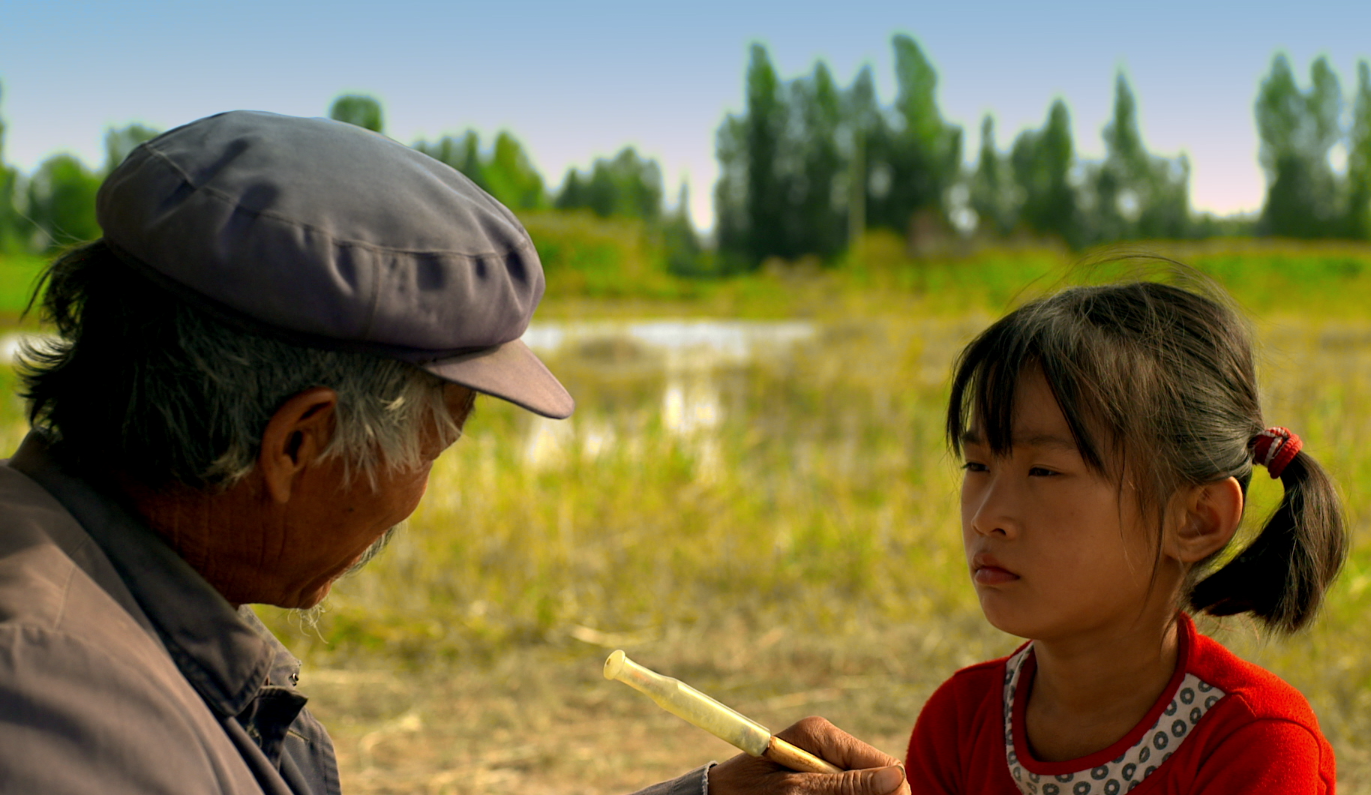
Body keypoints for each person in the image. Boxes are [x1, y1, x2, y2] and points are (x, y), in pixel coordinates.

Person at [0, 110, 908, 795]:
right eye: (444, 436)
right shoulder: (57, 712)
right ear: (298, 441)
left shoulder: (86, 588)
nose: (420, 495)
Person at [905, 277, 1347, 794]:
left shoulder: (1256, 743)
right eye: (977, 464)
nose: (986, 517)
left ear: (1197, 519)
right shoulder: (960, 723)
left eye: (1043, 471)